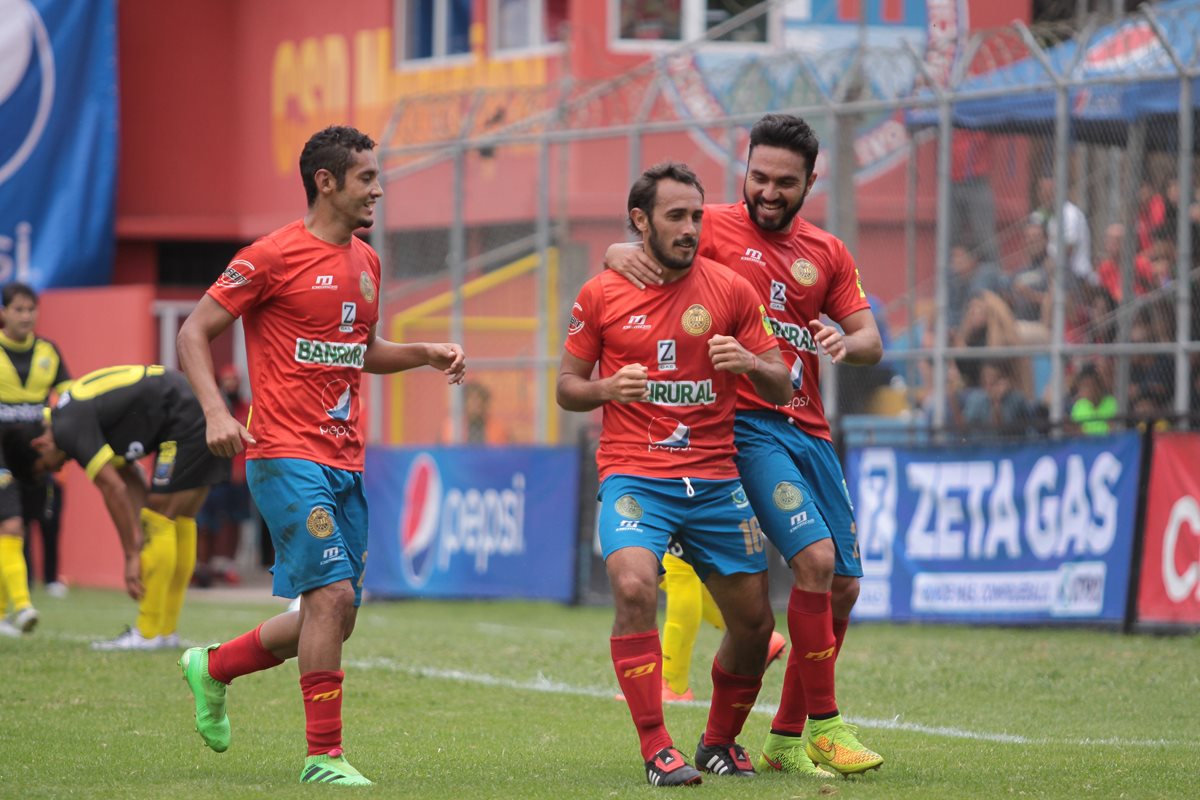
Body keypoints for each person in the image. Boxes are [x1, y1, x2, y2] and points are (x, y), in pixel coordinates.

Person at [175, 125, 466, 787]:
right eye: (367, 178)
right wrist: (217, 412)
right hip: (283, 453)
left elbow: (361, 350)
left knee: (334, 616)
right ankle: (323, 758)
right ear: (326, 182)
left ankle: (213, 667)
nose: (378, 189)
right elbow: (193, 332)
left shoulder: (367, 263)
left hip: (345, 460)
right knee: (330, 597)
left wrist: (421, 353)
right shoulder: (270, 256)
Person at [605, 114, 885, 777]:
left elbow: (870, 339)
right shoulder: (709, 227)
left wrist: (846, 343)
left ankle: (784, 739)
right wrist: (619, 253)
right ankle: (826, 727)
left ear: (810, 181)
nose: (767, 191)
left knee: (844, 586)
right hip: (745, 425)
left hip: (808, 427)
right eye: (758, 176)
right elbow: (640, 247)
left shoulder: (828, 252)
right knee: (814, 561)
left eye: (784, 182)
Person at [559, 161, 792, 786]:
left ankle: (719, 742)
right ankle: (657, 748)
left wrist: (749, 362)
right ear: (641, 221)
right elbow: (567, 387)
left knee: (755, 626)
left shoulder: (731, 290)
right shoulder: (601, 293)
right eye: (676, 216)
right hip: (635, 476)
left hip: (715, 481)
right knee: (635, 587)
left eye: (696, 216)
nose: (690, 228)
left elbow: (782, 380)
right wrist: (607, 387)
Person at [31, 365, 230, 650]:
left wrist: (132, 555)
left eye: (43, 468)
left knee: (160, 517)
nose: (55, 469)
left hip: (186, 413)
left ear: (40, 444)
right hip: (197, 405)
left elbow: (113, 488)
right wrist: (141, 534)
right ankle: (165, 632)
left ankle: (147, 633)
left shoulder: (68, 427)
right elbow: (128, 476)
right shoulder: (75, 415)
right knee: (178, 518)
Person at [0, 282, 71, 637]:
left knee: (19, 528)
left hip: (35, 458)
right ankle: (24, 605)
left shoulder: (48, 351)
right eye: (18, 309)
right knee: (12, 525)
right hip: (1, 455)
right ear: (3, 312)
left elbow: (70, 396)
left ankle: (1, 615)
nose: (26, 316)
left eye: (31, 309)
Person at [193, 365, 251, 588]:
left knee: (234, 520)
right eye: (227, 380)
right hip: (214, 474)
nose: (231, 385)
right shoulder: (213, 410)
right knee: (205, 522)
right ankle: (202, 566)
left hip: (238, 476)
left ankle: (227, 565)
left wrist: (243, 468)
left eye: (234, 380)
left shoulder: (247, 408)